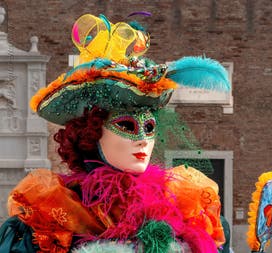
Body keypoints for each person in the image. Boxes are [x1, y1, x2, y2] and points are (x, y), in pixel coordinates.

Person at [0, 13, 231, 253]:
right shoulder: (54, 213)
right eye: (127, 126)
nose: (142, 139)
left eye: (149, 128)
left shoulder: (184, 206)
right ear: (91, 134)